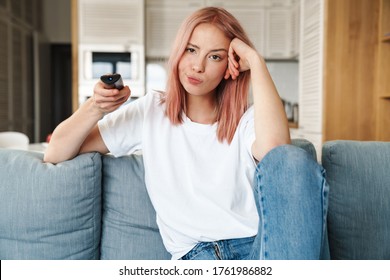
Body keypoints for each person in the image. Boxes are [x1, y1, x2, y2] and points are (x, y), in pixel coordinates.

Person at [44, 7, 328, 260]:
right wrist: (95, 107)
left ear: (229, 66)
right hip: (196, 256)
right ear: (179, 52)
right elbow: (56, 152)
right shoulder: (151, 111)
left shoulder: (249, 119)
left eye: (214, 56)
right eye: (191, 50)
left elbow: (277, 153)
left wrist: (256, 62)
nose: (198, 66)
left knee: (295, 159)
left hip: (259, 250)